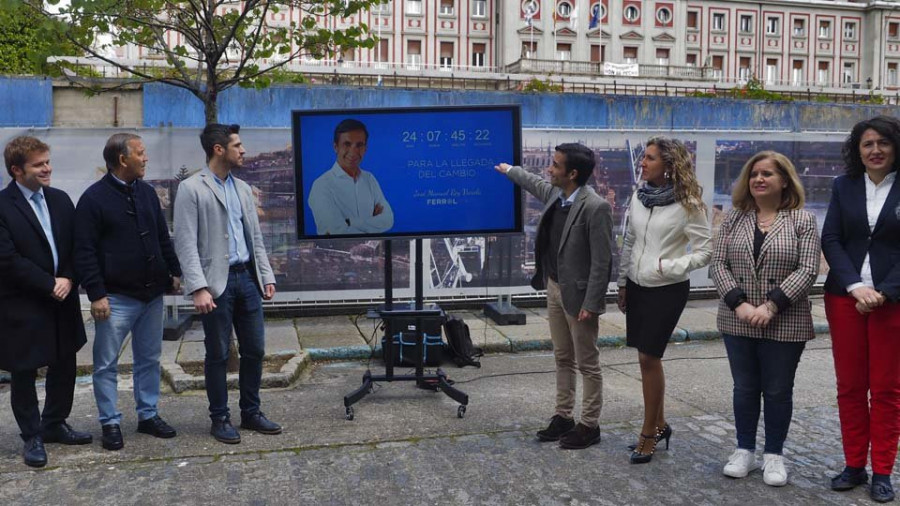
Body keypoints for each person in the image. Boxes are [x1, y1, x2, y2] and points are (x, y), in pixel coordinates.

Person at [710, 151, 820, 486]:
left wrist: (771, 306)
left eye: (768, 174)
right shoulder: (732, 218)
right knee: (744, 387)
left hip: (785, 319)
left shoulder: (802, 220)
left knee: (776, 390)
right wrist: (739, 304)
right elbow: (718, 265)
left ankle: (774, 454)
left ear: (784, 180)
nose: (759, 179)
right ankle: (744, 449)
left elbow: (808, 268)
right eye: (755, 173)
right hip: (737, 319)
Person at [495, 143, 613, 450]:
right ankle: (564, 416)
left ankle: (590, 424)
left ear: (572, 174)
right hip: (554, 287)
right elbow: (533, 183)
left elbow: (603, 261)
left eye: (555, 165)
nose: (549, 169)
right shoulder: (557, 195)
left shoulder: (595, 207)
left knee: (587, 362)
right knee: (563, 357)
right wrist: (510, 171)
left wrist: (591, 303)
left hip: (579, 297)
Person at [173, 123, 282, 444]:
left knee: (256, 350)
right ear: (219, 149)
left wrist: (266, 275)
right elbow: (185, 242)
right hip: (215, 284)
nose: (243, 150)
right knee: (217, 354)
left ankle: (251, 412)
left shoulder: (244, 189)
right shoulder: (192, 188)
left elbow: (256, 238)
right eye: (237, 145)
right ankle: (219, 418)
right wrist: (198, 287)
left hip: (247, 278)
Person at [74, 133, 182, 451]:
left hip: (151, 296)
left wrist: (173, 272)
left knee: (148, 359)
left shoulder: (147, 193)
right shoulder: (93, 200)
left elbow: (163, 237)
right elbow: (84, 251)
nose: (146, 158)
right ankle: (110, 422)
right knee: (106, 363)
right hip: (115, 298)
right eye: (141, 153)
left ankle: (148, 416)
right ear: (123, 159)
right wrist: (96, 293)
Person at [617, 137, 712, 464]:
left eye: (650, 158)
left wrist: (670, 266)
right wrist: (622, 283)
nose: (642, 163)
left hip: (667, 288)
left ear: (669, 166)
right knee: (644, 358)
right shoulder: (639, 196)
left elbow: (705, 252)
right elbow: (630, 239)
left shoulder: (689, 204)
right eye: (643, 156)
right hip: (637, 284)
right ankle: (660, 424)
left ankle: (648, 433)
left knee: (648, 358)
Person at [822, 115, 900, 503]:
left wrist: (883, 292)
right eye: (867, 144)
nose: (875, 150)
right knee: (850, 387)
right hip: (845, 299)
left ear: (895, 147)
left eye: (882, 143)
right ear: (858, 150)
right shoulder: (843, 186)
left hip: (893, 302)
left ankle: (882, 471)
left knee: (886, 389)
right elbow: (832, 238)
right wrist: (856, 286)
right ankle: (855, 464)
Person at [0, 136, 91, 467]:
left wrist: (67, 278)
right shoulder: (2, 205)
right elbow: (7, 259)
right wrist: (48, 283)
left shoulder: (60, 200)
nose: (47, 168)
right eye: (39, 165)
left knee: (64, 364)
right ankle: (32, 436)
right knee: (24, 371)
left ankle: (54, 424)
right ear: (16, 170)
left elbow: (75, 245)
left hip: (62, 298)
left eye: (48, 161)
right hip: (23, 303)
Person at [308, 119, 393, 235]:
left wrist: (350, 222)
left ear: (365, 149)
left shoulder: (369, 179)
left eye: (359, 145)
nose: (353, 152)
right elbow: (336, 232)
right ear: (335, 147)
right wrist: (373, 223)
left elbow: (388, 220)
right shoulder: (321, 186)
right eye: (347, 144)